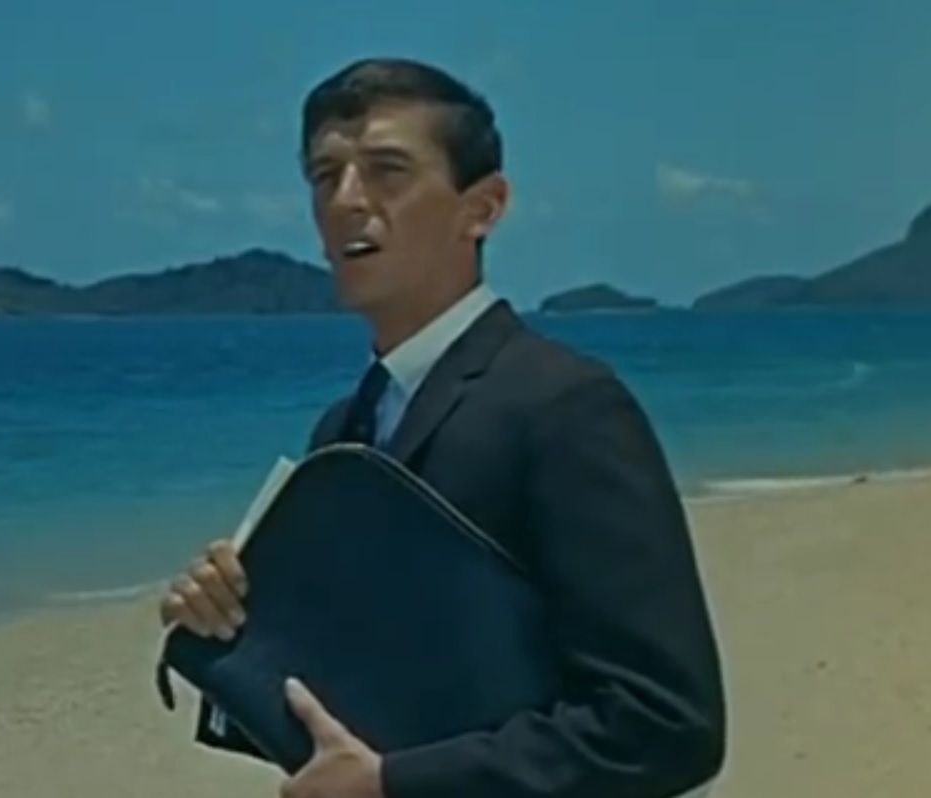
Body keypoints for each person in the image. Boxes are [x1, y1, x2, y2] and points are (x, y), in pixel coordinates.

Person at [158, 57, 726, 798]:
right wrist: (230, 626)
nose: (346, 200)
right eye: (324, 176)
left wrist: (394, 782)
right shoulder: (342, 431)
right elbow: (355, 697)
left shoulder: (566, 407)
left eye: (387, 170)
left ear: (482, 208)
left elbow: (667, 725)